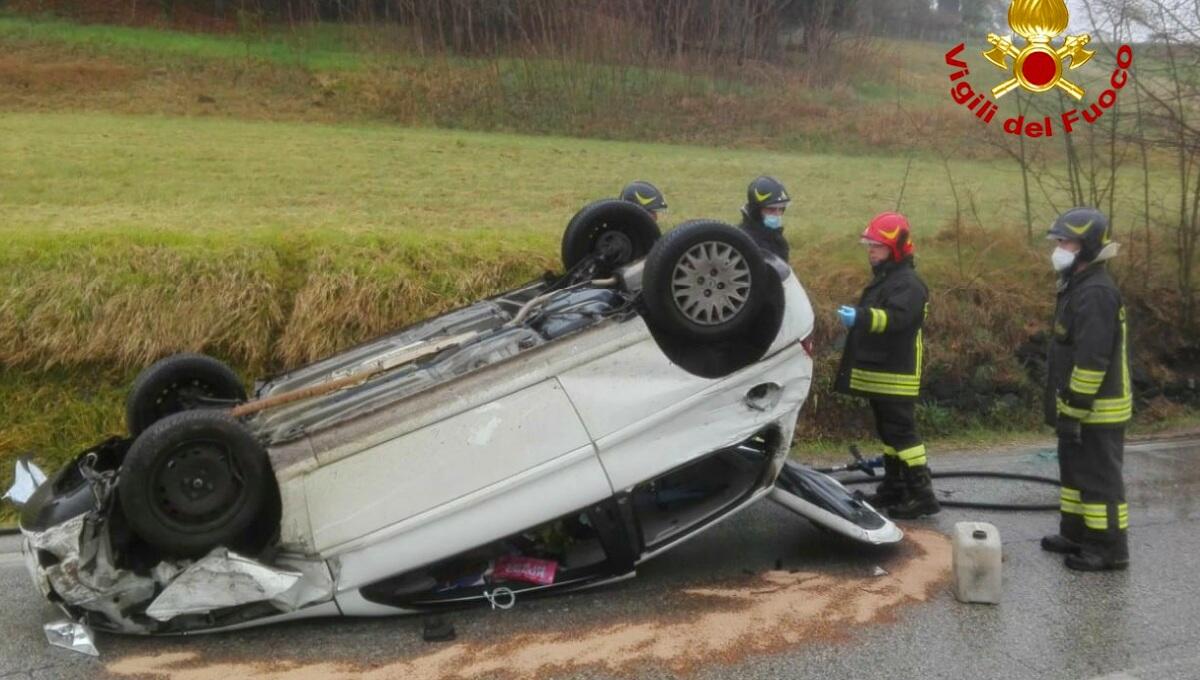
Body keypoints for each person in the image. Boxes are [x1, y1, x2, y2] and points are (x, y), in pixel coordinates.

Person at [1041, 207, 1131, 571]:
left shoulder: (1096, 293)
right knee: (1075, 474)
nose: (1059, 247)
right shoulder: (1077, 285)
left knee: (1099, 481)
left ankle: (1108, 549)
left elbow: (1093, 360)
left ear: (1088, 247)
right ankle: (1076, 534)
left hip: (1096, 408)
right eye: (1059, 241)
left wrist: (1075, 408)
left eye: (1067, 241)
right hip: (1077, 405)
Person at [833, 212, 939, 519]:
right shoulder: (889, 279)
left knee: (902, 434)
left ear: (894, 248)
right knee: (889, 433)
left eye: (877, 246)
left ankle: (922, 494)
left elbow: (897, 320)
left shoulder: (909, 284)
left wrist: (861, 317)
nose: (871, 251)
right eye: (869, 245)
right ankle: (895, 487)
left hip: (896, 374)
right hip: (882, 372)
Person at [738, 176, 791, 261]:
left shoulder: (777, 239)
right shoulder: (744, 242)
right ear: (756, 211)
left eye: (781, 209)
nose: (777, 214)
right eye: (771, 209)